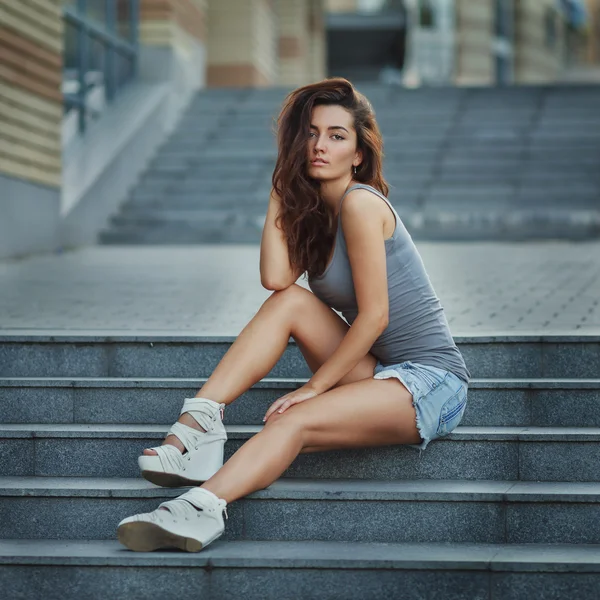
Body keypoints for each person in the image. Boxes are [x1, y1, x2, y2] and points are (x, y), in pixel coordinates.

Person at [117, 77, 471, 553]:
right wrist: (281, 186)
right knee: (289, 302)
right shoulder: (318, 216)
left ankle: (198, 508)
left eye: (336, 135)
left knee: (291, 420)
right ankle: (197, 427)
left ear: (359, 154)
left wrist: (313, 388)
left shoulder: (361, 205)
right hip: (379, 373)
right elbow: (276, 280)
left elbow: (375, 318)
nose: (319, 145)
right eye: (310, 132)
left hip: (432, 382)